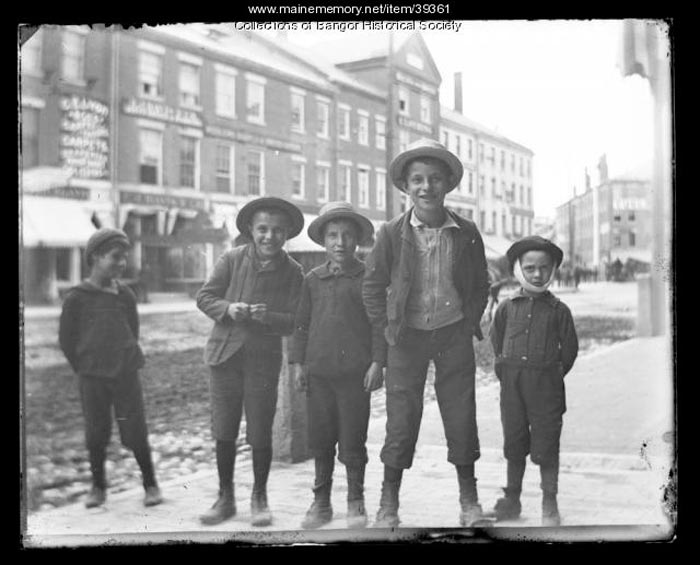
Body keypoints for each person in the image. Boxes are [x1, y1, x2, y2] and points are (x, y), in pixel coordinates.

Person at [362, 138, 490, 528]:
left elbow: (480, 285)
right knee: (401, 418)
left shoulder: (466, 231)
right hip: (406, 337)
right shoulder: (390, 233)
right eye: (417, 180)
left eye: (435, 179)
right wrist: (386, 328)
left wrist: (469, 322)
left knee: (461, 414)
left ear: (448, 184)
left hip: (452, 334)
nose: (426, 187)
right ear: (405, 187)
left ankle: (469, 501)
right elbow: (372, 286)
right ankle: (388, 504)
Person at [196, 197, 304, 527]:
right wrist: (228, 309)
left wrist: (267, 317)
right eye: (262, 229)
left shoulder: (293, 271)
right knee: (224, 429)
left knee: (259, 430)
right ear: (250, 230)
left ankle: (260, 497)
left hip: (262, 362)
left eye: (276, 230)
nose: (269, 236)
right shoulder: (231, 259)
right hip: (224, 357)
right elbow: (205, 297)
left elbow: (297, 321)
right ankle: (225, 497)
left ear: (286, 234)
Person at [289, 201, 385, 530]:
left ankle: (355, 500)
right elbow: (300, 326)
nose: (340, 242)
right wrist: (298, 364)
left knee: (353, 439)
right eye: (332, 235)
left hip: (355, 377)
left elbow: (378, 325)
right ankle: (321, 501)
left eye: (346, 235)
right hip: (319, 375)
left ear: (357, 239)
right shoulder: (312, 279)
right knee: (321, 438)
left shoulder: (368, 277)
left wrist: (377, 363)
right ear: (323, 240)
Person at [58, 228, 163, 509]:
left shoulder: (125, 295)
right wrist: (85, 366)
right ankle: (98, 486)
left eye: (124, 258)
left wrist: (122, 356)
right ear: (95, 257)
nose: (121, 263)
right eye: (115, 257)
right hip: (92, 376)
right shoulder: (77, 297)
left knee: (135, 430)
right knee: (96, 432)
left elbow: (133, 329)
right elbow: (66, 340)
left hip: (125, 372)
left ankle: (150, 484)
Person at [488, 236, 579, 527]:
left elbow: (570, 350)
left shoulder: (559, 311)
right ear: (518, 269)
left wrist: (550, 374)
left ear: (552, 270)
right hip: (512, 386)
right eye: (529, 268)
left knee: (546, 444)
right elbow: (496, 340)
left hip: (546, 387)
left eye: (543, 268)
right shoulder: (506, 308)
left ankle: (549, 502)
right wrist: (508, 370)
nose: (537, 274)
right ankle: (512, 499)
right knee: (514, 442)